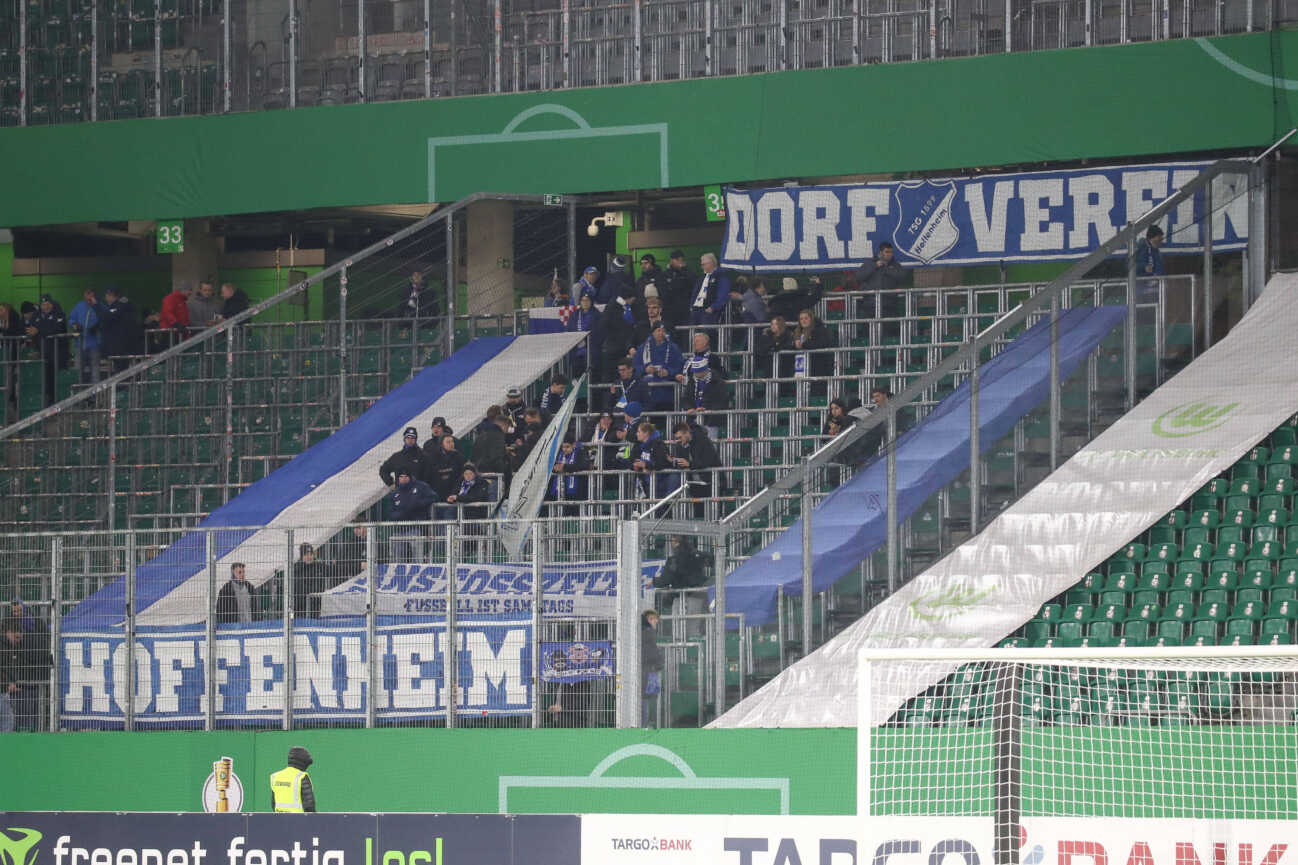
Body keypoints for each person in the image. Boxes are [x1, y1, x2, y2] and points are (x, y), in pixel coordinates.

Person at [1, 616, 52, 732]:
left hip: (4, 689)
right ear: (9, 633)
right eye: (16, 637)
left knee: (8, 719)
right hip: (2, 690)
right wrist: (6, 684)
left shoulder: (9, 646)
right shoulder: (4, 647)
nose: (18, 640)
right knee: (7, 721)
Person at [654, 536, 709, 637]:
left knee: (679, 633)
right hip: (697, 597)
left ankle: (680, 652)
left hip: (680, 598)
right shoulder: (698, 556)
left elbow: (665, 580)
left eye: (673, 541)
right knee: (694, 632)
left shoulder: (674, 560)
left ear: (676, 543)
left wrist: (653, 581)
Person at [25, 294, 68, 405]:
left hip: (57, 353)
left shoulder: (59, 314)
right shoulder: (37, 315)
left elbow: (56, 329)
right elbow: (31, 330)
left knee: (55, 379)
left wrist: (39, 330)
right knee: (45, 378)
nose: (45, 307)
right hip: (43, 352)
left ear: (51, 304)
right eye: (43, 304)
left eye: (47, 304)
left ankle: (57, 402)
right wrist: (34, 348)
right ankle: (47, 402)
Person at [387, 469, 437, 561]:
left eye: (406, 476)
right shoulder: (394, 493)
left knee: (417, 555)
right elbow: (390, 513)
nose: (403, 479)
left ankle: (418, 571)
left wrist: (418, 505)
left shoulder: (420, 486)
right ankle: (398, 573)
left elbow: (433, 497)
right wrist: (402, 513)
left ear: (410, 477)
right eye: (401, 477)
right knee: (397, 556)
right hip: (399, 528)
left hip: (415, 527)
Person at [635, 320, 684, 410]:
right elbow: (635, 368)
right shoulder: (642, 348)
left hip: (668, 394)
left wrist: (668, 372)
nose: (661, 333)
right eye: (658, 330)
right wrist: (645, 369)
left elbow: (680, 367)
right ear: (653, 332)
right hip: (647, 395)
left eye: (663, 331)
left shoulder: (674, 348)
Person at [854, 241, 907, 319]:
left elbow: (902, 277)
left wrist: (885, 268)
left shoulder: (895, 265)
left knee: (887, 329)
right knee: (868, 328)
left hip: (889, 304)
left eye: (891, 252)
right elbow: (859, 277)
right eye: (887, 252)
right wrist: (874, 266)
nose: (889, 254)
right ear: (881, 253)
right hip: (870, 304)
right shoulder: (870, 263)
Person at [671, 421, 721, 499]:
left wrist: (689, 465)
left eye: (680, 437)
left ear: (687, 433)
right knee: (698, 510)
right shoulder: (679, 446)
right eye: (676, 438)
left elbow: (707, 461)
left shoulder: (703, 440)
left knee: (713, 510)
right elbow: (679, 464)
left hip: (712, 482)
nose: (678, 440)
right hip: (694, 484)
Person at [99, 286, 145, 371]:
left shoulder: (120, 306)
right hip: (127, 344)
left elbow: (107, 317)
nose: (106, 298)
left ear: (112, 295)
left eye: (107, 296)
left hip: (121, 345)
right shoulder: (125, 305)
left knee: (121, 369)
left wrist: (96, 306)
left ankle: (123, 384)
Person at [598, 289, 640, 382]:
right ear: (630, 298)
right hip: (614, 349)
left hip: (616, 348)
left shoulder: (615, 306)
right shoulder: (614, 308)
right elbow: (605, 326)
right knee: (612, 378)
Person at [68, 288, 103, 385]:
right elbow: (71, 319)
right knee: (78, 370)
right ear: (84, 295)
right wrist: (75, 325)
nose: (89, 297)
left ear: (94, 295)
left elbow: (105, 318)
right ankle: (78, 396)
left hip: (94, 344)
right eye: (87, 295)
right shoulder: (79, 306)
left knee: (95, 371)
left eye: (91, 295)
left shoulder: (99, 306)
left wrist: (98, 326)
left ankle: (95, 396)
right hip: (80, 343)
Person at [548, 434, 590, 510]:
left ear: (573, 445)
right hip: (561, 489)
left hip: (576, 490)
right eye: (563, 447)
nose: (564, 449)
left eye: (567, 447)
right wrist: (555, 468)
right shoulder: (559, 453)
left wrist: (565, 467)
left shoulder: (580, 452)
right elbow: (551, 465)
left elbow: (584, 465)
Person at [631, 421, 671, 499]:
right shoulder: (638, 445)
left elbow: (662, 463)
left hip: (658, 484)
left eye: (639, 432)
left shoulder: (659, 444)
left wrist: (646, 465)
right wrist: (636, 466)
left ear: (646, 433)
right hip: (645, 483)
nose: (637, 434)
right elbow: (632, 460)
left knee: (658, 509)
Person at [270, 746, 317, 812]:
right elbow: (309, 806)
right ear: (303, 762)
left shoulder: (276, 776)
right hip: (299, 820)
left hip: (279, 819)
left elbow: (273, 803)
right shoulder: (302, 777)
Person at [689, 253, 730, 326]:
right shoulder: (701, 278)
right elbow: (695, 293)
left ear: (711, 263)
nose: (702, 267)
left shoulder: (721, 276)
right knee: (694, 334)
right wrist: (691, 306)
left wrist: (713, 307)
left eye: (703, 264)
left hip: (708, 311)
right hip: (696, 310)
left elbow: (723, 294)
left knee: (706, 334)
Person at [793, 308, 835, 380]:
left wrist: (803, 345)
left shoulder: (820, 330)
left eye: (806, 318)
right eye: (801, 319)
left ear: (811, 319)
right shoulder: (797, 332)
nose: (803, 321)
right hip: (800, 366)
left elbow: (821, 343)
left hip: (818, 366)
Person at [292, 543, 331, 619]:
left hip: (316, 607)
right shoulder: (296, 569)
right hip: (300, 608)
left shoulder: (319, 567)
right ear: (301, 556)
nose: (309, 557)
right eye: (306, 554)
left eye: (311, 554)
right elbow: (299, 589)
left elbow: (336, 570)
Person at [566, 293, 599, 378]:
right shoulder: (575, 314)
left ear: (591, 302)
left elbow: (598, 332)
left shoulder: (597, 315)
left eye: (587, 300)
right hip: (576, 351)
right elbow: (569, 330)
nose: (585, 303)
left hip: (590, 350)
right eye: (583, 300)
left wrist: (586, 341)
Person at [755, 313, 795, 381]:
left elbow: (788, 347)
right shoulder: (766, 336)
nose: (773, 326)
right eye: (772, 324)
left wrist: (775, 346)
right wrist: (774, 345)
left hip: (784, 367)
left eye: (776, 324)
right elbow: (760, 350)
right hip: (769, 368)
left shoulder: (788, 335)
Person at [640, 609, 663, 728]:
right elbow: (653, 654)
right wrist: (659, 663)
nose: (656, 621)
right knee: (644, 701)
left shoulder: (643, 633)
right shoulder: (648, 633)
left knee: (644, 700)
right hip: (646, 672)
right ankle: (642, 727)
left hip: (645, 671)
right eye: (654, 619)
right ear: (648, 620)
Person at [663, 250, 695, 328]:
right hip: (669, 310)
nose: (679, 263)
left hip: (684, 309)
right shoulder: (665, 274)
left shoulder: (687, 272)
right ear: (671, 260)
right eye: (677, 260)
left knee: (684, 331)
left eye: (681, 260)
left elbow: (694, 283)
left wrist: (684, 270)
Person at [431, 433, 467, 499]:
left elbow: (463, 474)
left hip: (454, 492)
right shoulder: (434, 457)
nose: (451, 444)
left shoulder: (459, 456)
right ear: (442, 444)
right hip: (438, 493)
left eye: (452, 441)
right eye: (448, 442)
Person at [1136, 225, 1165, 301]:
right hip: (1140, 289)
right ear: (1152, 237)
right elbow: (1130, 266)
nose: (1161, 240)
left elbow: (1159, 269)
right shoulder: (1140, 249)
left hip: (1153, 289)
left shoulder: (1156, 252)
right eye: (1159, 237)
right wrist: (1144, 267)